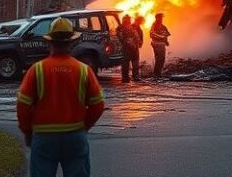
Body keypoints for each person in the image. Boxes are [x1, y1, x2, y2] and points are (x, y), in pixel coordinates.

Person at [17, 17, 105, 177]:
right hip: (75, 136)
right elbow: (98, 104)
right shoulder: (84, 70)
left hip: (44, 138)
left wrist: (27, 132)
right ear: (72, 42)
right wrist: (84, 127)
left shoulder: (36, 70)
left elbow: (22, 105)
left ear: (49, 42)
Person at [117, 14, 141, 82]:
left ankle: (132, 77)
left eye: (129, 19)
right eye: (128, 19)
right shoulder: (121, 28)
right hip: (127, 48)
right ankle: (128, 78)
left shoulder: (129, 27)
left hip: (132, 48)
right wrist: (132, 43)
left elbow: (136, 36)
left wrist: (137, 43)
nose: (129, 20)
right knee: (127, 63)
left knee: (133, 63)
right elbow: (121, 38)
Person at [149, 13, 171, 78]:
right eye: (160, 17)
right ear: (157, 18)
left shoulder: (163, 26)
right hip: (157, 44)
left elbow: (166, 34)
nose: (161, 19)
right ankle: (156, 74)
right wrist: (160, 37)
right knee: (159, 58)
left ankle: (158, 74)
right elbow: (151, 34)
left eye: (162, 17)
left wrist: (166, 41)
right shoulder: (154, 25)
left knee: (162, 59)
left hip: (161, 44)